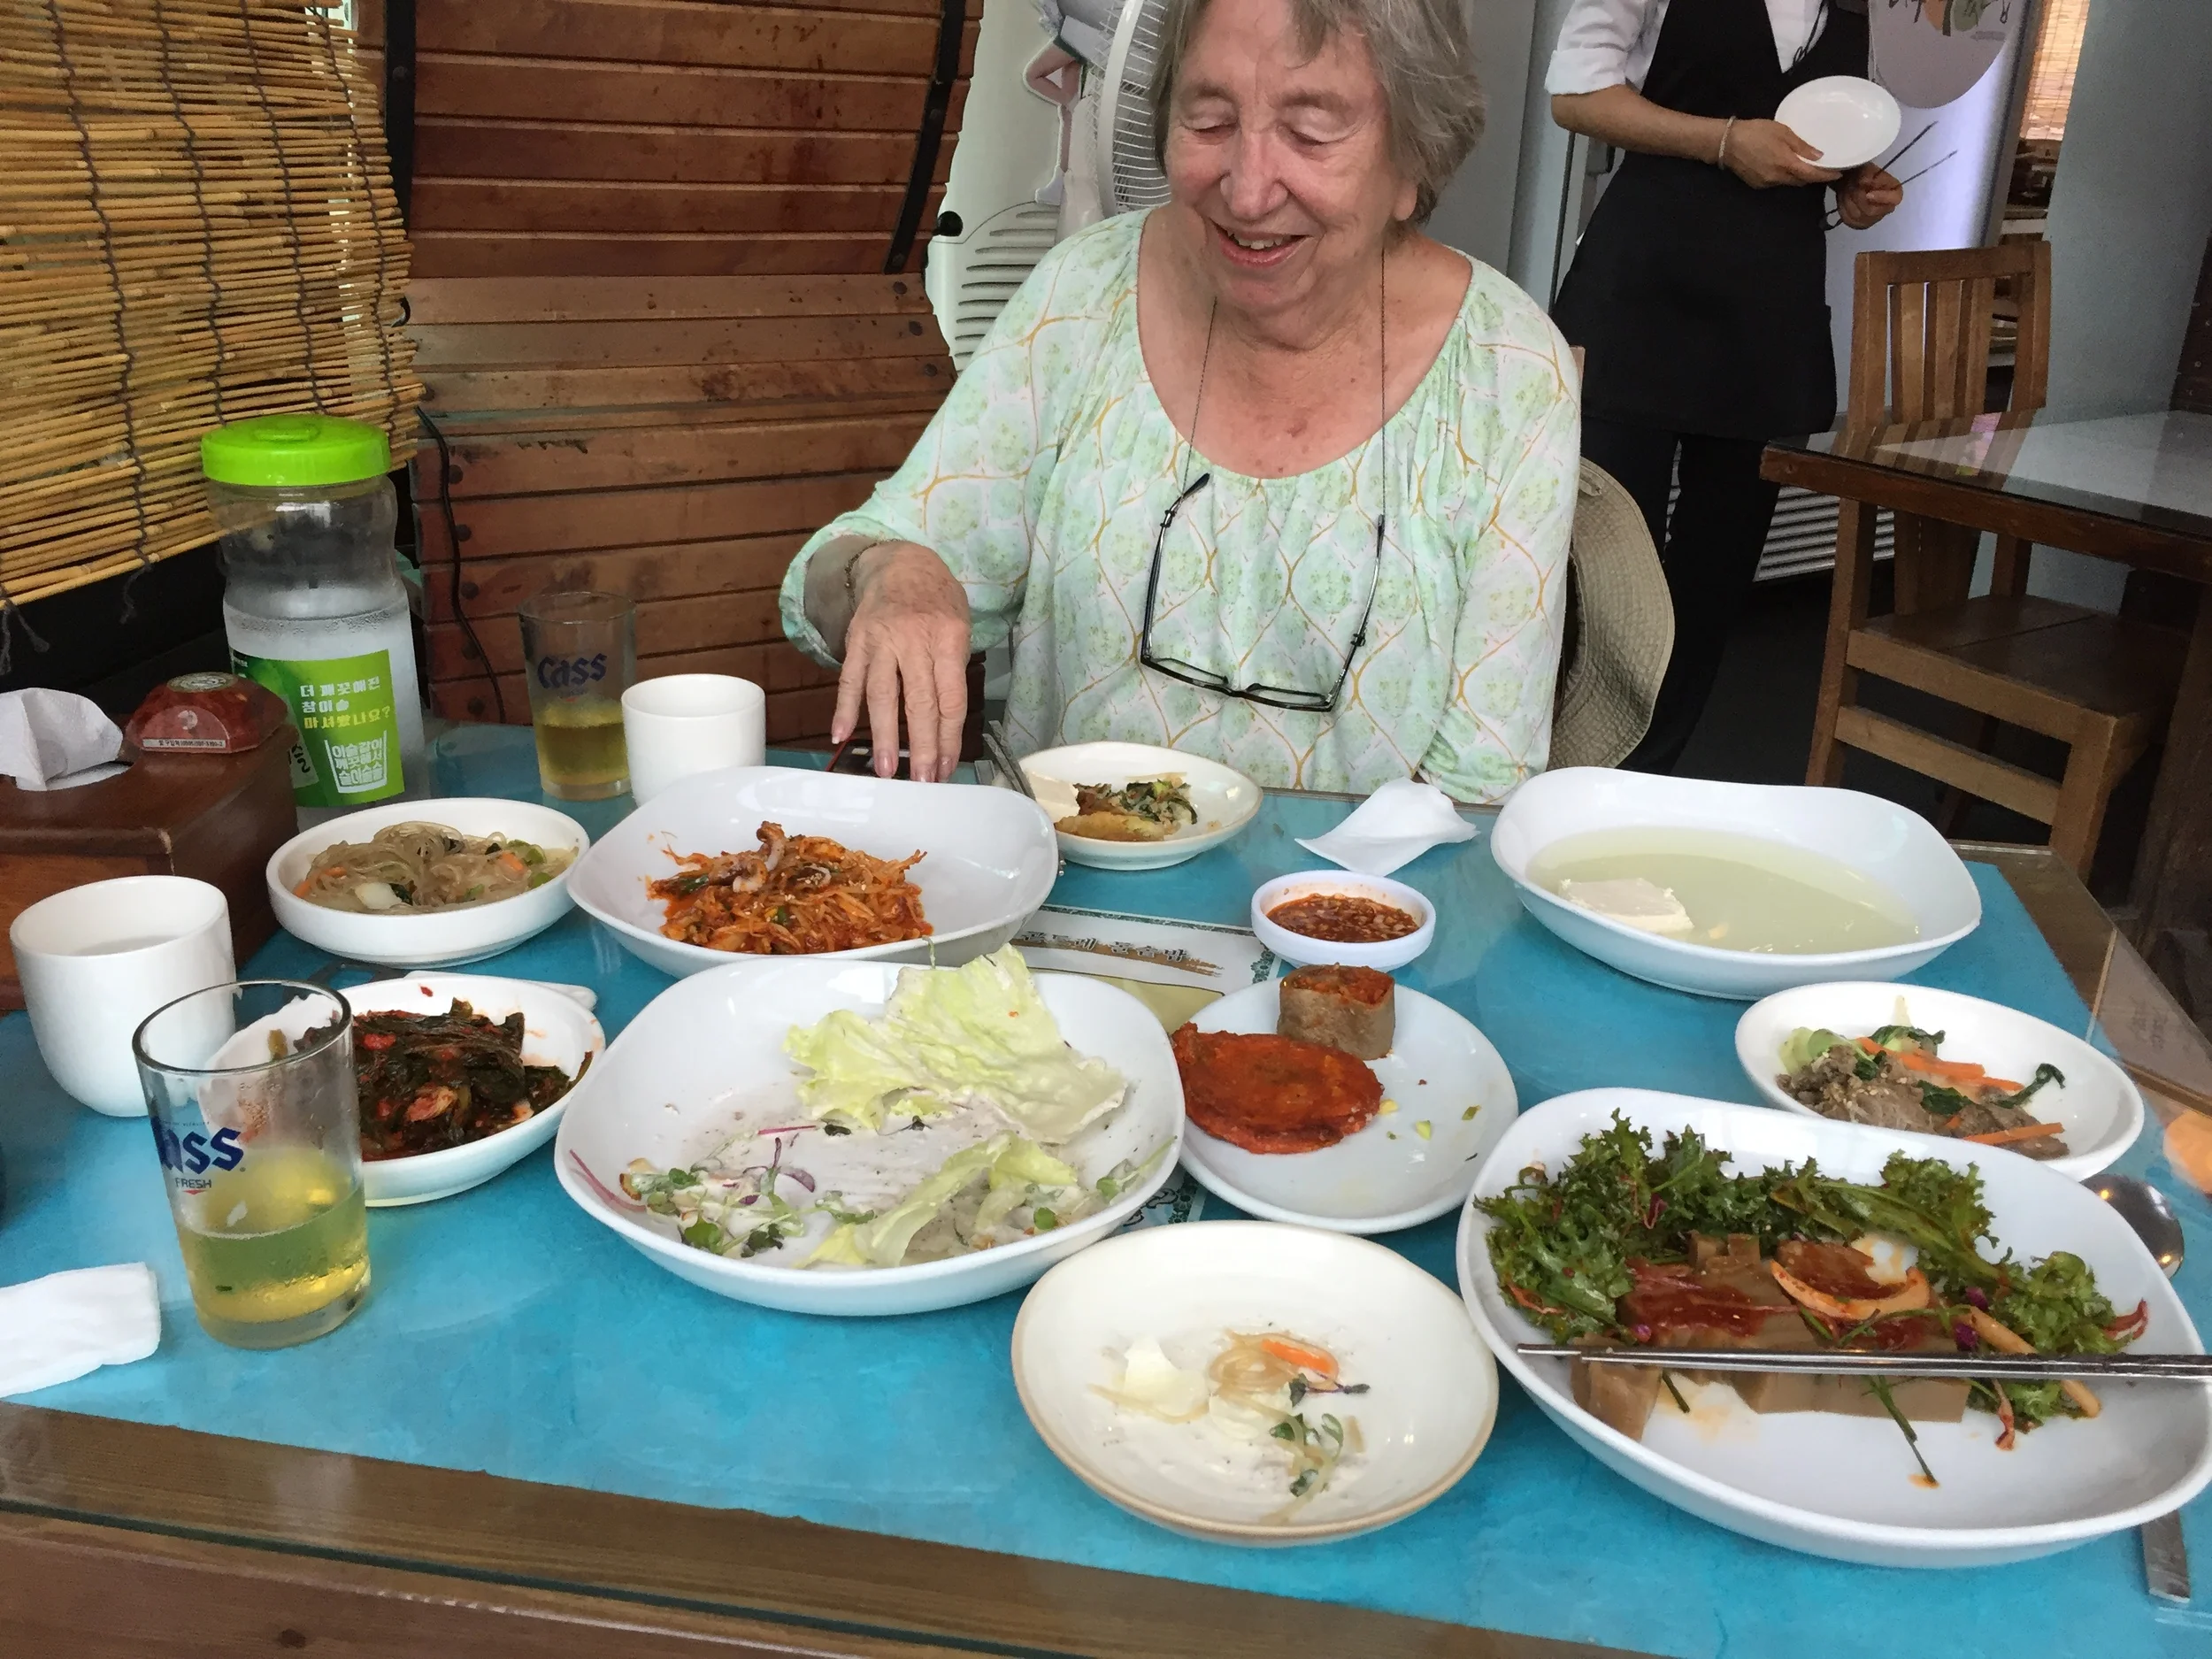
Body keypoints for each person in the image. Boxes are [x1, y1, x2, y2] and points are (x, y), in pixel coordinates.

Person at [779, 0, 1579, 799]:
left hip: (1382, 885)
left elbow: (1481, 791)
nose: (1248, 190)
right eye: (1209, 120)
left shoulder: (1507, 372)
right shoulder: (1084, 297)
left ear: (1413, 158)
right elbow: (833, 576)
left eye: (1309, 132)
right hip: (1065, 875)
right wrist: (885, 573)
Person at [1547, 0, 1902, 772]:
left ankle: (1646, 783)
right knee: (1603, 572)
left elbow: (1821, 128)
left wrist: (1853, 186)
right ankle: (1559, 781)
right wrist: (1722, 141)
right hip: (1641, 299)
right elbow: (1573, 96)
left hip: (1771, 316)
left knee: (1713, 585)